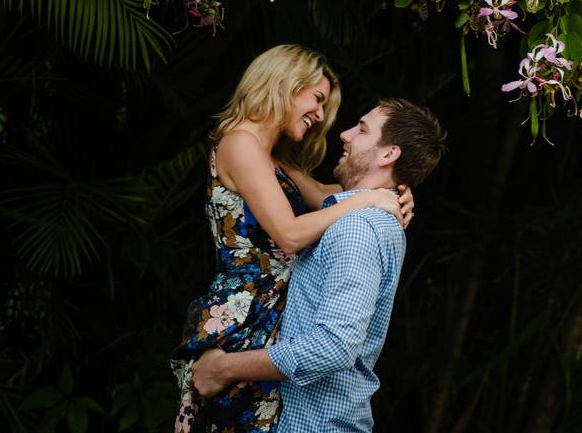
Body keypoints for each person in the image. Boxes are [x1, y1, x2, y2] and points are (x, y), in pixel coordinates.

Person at [171, 46, 414, 433]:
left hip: (271, 314)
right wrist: (370, 199)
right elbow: (288, 234)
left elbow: (326, 197)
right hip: (243, 312)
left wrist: (394, 192)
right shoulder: (240, 142)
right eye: (317, 99)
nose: (320, 116)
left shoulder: (274, 160)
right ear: (285, 84)